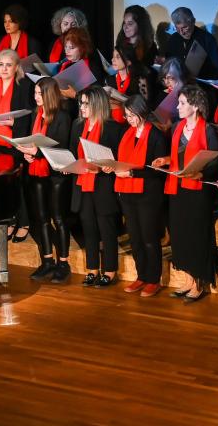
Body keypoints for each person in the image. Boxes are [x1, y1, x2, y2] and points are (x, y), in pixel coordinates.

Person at [152, 85, 218, 302]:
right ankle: (188, 279)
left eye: (182, 103)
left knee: (196, 235)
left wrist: (201, 173)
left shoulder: (208, 130)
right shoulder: (177, 127)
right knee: (180, 234)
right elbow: (178, 155)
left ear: (195, 106)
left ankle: (199, 282)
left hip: (197, 191)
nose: (178, 107)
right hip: (178, 188)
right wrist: (166, 160)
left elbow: (216, 161)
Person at [105, 94, 168, 297]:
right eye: (127, 116)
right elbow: (120, 161)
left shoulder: (156, 136)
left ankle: (153, 279)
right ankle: (142, 276)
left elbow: (158, 171)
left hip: (148, 194)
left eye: (132, 115)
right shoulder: (127, 134)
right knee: (135, 238)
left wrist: (132, 173)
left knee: (149, 238)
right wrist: (111, 167)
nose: (130, 120)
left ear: (142, 112)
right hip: (127, 192)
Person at [18, 77, 74, 283]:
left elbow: (61, 146)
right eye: (34, 93)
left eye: (39, 94)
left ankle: (63, 263)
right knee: (40, 218)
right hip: (37, 171)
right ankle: (47, 261)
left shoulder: (62, 116)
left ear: (49, 94)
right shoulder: (36, 113)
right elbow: (33, 141)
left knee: (58, 219)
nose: (35, 97)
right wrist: (29, 155)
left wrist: (37, 152)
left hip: (56, 174)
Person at [70, 87, 125, 288]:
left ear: (98, 104)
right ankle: (92, 269)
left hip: (103, 184)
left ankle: (110, 271)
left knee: (106, 227)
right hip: (83, 182)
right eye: (81, 103)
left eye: (86, 103)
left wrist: (108, 167)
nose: (82, 107)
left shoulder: (113, 128)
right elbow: (73, 153)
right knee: (88, 227)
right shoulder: (77, 126)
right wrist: (69, 166)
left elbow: (118, 158)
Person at [0, 49, 34, 178]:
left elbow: (31, 115)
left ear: (16, 67)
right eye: (1, 64)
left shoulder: (25, 86)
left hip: (13, 144)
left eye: (9, 65)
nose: (4, 69)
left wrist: (14, 122)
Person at [163, 6, 218, 79]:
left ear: (193, 21)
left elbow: (217, 69)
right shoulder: (173, 39)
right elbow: (168, 62)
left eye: (185, 27)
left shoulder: (207, 39)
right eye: (177, 28)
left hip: (201, 82)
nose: (181, 32)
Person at [56, 26, 103, 99]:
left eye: (71, 48)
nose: (67, 51)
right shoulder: (64, 65)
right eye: (66, 47)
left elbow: (96, 97)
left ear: (82, 48)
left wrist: (75, 95)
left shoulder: (93, 68)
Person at [106, 43, 145, 123]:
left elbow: (143, 107)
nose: (112, 60)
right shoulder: (109, 80)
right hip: (111, 121)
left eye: (117, 57)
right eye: (113, 56)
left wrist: (119, 104)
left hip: (132, 122)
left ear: (128, 61)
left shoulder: (140, 81)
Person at [116, 4, 158, 70]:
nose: (125, 27)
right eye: (124, 23)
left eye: (130, 23)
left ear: (140, 24)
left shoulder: (150, 46)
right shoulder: (120, 43)